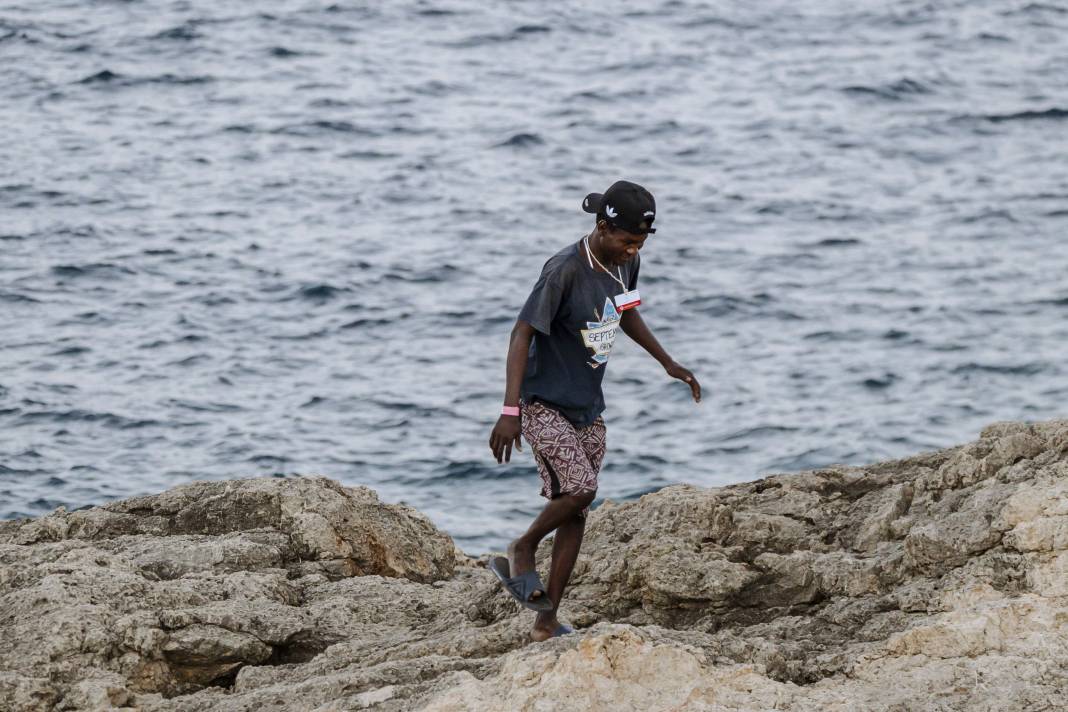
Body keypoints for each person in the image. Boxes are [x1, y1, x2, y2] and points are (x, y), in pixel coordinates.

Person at [487, 180, 702, 642]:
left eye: (640, 242)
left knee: (576, 511)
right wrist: (509, 410)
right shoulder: (564, 270)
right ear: (602, 227)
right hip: (542, 403)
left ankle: (546, 622)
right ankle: (523, 545)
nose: (632, 250)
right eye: (626, 240)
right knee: (581, 489)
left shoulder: (628, 264)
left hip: (587, 406)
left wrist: (668, 362)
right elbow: (521, 334)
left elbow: (625, 313)